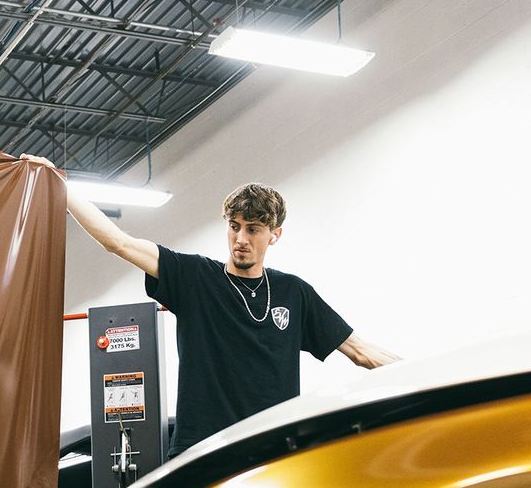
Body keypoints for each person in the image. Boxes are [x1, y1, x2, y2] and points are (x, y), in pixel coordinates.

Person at [32, 161, 398, 458]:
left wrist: (431, 380)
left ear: (275, 234)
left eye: (253, 229)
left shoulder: (294, 293)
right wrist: (63, 187)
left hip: (273, 451)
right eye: (234, 226)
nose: (240, 239)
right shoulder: (195, 277)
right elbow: (119, 243)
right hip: (203, 452)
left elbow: (361, 351)